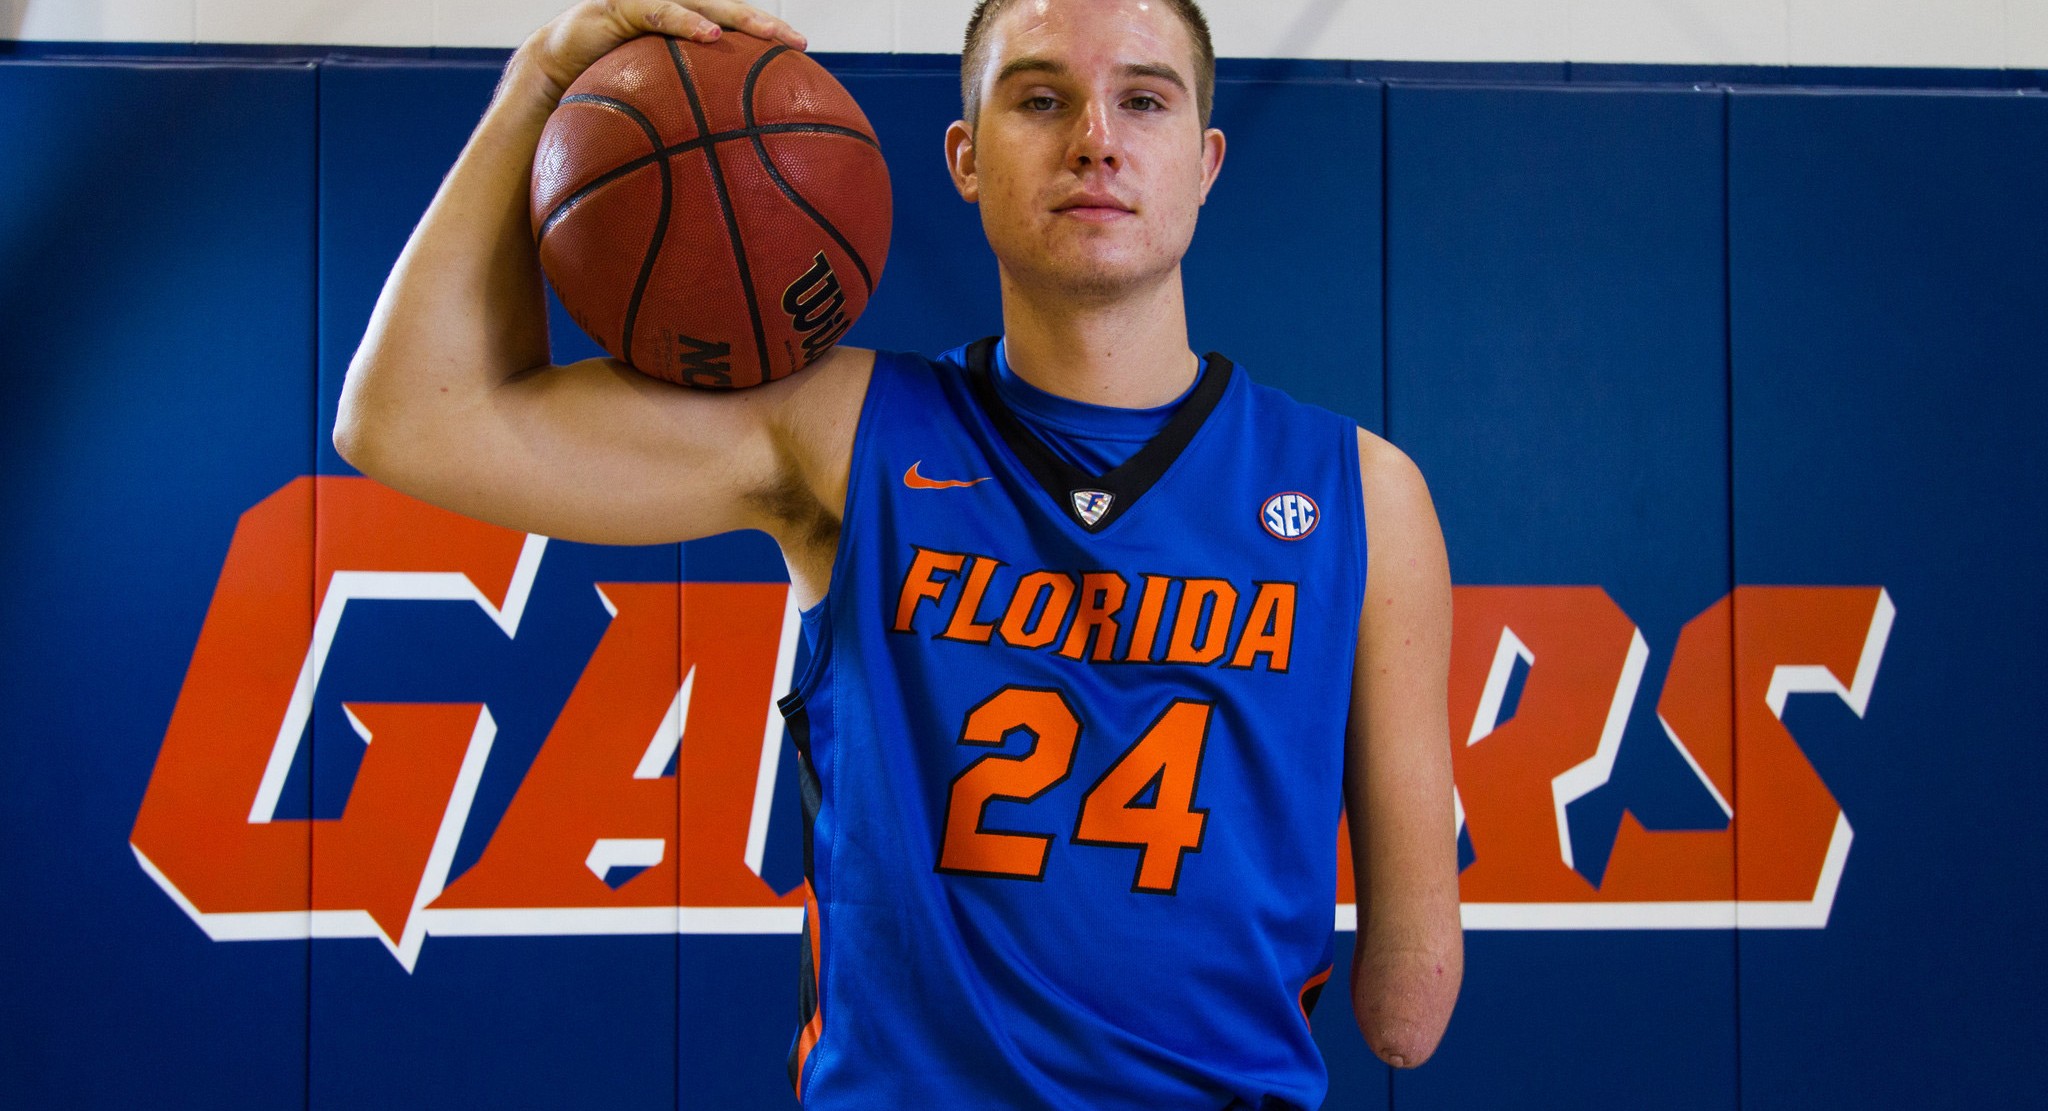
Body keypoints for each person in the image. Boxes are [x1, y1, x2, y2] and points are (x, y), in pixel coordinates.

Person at [336, 0, 1462, 1105]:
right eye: (1039, 99)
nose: (1095, 139)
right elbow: (410, 418)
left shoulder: (1358, 496)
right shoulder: (836, 433)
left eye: (1144, 100)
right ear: (963, 159)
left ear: (1206, 160)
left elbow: (1409, 1007)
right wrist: (542, 79)